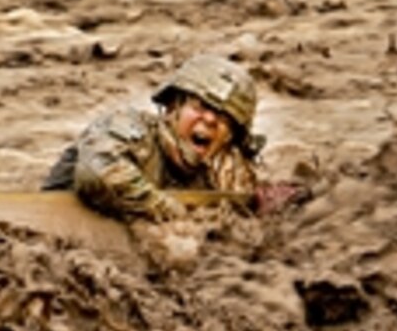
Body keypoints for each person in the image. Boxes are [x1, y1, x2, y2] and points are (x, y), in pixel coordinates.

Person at [41, 53, 305, 222]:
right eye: (199, 106)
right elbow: (98, 174)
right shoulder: (131, 130)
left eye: (224, 118)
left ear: (231, 137)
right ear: (172, 107)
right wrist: (174, 215)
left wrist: (259, 205)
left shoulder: (220, 172)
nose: (211, 120)